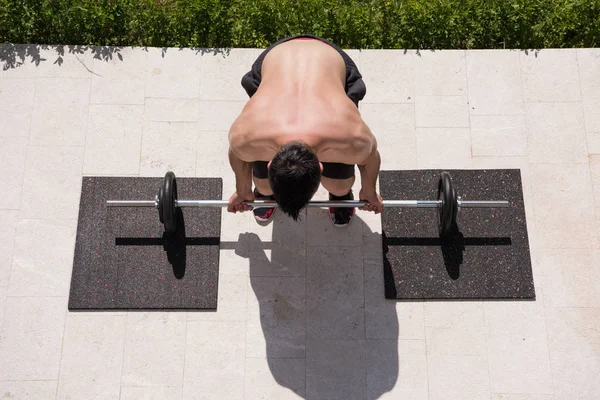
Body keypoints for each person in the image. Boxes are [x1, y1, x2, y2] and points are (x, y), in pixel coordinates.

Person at [227, 34, 383, 226]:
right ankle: (264, 192)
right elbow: (238, 154)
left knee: (340, 185)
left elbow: (371, 158)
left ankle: (339, 195)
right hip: (277, 60)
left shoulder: (351, 137)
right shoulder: (245, 137)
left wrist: (369, 190)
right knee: (263, 185)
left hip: (329, 59)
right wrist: (243, 190)